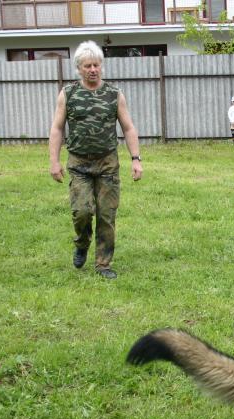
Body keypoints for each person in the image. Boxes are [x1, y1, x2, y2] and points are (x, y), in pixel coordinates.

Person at [48, 40, 142, 280]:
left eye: (96, 65)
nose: (92, 69)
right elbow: (57, 129)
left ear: (101, 66)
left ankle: (103, 264)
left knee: (106, 215)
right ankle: (82, 243)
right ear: (79, 68)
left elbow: (128, 128)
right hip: (79, 164)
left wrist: (136, 159)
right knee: (81, 211)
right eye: (87, 65)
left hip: (107, 164)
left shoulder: (114, 94)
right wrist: (54, 161)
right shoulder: (68, 94)